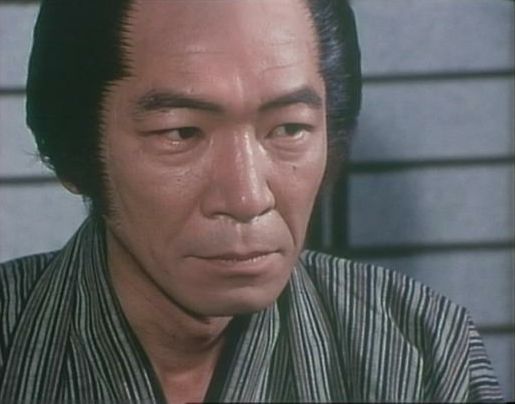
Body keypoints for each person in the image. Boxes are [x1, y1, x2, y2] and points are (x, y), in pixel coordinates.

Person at [0, 0, 503, 402]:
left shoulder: (419, 347)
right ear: (75, 152)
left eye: (289, 129)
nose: (246, 197)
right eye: (181, 132)